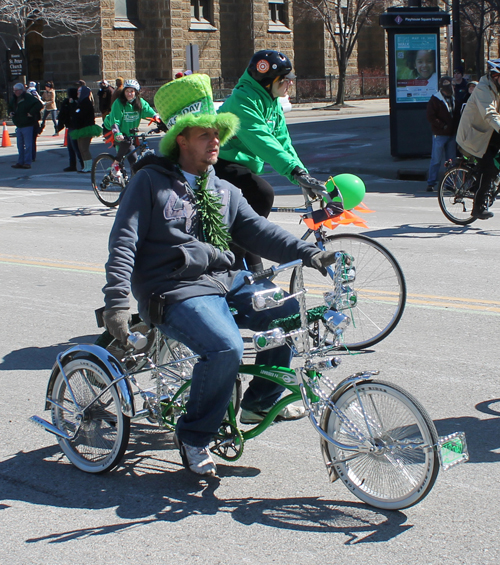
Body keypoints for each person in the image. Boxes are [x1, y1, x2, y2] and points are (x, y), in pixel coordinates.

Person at [101, 73, 338, 477]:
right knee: (226, 347)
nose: (216, 141)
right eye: (205, 134)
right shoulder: (151, 182)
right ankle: (194, 436)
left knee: (285, 313)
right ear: (181, 139)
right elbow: (123, 242)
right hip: (172, 290)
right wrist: (117, 302)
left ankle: (259, 401)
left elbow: (259, 231)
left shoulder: (222, 188)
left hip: (222, 282)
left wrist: (310, 254)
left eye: (219, 133)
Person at [216, 50, 325, 272]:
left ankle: (248, 268)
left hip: (242, 165)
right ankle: (227, 259)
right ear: (267, 81)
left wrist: (301, 174)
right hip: (220, 163)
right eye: (284, 80)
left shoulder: (271, 101)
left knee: (254, 241)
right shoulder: (242, 101)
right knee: (262, 194)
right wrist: (292, 171)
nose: (289, 85)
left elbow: (283, 142)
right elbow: (262, 140)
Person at [456, 59, 500, 219]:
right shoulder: (483, 89)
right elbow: (490, 113)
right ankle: (478, 207)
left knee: (495, 163)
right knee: (487, 167)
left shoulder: (497, 88)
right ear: (495, 76)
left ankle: (487, 182)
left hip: (487, 133)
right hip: (473, 137)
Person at [103, 79, 158, 176]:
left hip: (129, 133)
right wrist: (117, 133)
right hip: (112, 129)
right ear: (124, 92)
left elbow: (149, 112)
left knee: (134, 160)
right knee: (125, 143)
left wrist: (158, 119)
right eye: (127, 91)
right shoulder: (119, 103)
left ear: (136, 92)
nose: (129, 94)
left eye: (132, 91)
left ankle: (133, 183)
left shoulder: (140, 102)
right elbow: (115, 120)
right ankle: (115, 165)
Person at [426, 76, 458, 192]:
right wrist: (442, 125)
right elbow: (430, 116)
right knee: (436, 159)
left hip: (451, 134)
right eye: (447, 85)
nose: (450, 88)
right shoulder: (435, 99)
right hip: (439, 134)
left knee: (451, 160)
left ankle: (449, 183)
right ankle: (431, 183)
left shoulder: (453, 98)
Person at [8, 83, 43, 169]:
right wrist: (10, 112)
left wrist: (31, 112)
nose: (16, 92)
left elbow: (39, 104)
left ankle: (27, 162)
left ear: (21, 90)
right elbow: (10, 107)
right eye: (15, 90)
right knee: (20, 145)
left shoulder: (28, 97)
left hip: (28, 124)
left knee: (28, 145)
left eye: (17, 90)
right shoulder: (14, 99)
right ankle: (20, 162)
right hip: (19, 125)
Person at [70, 84, 102, 173]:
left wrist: (76, 113)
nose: (78, 93)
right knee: (81, 149)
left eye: (80, 92)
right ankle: (85, 166)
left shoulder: (86, 103)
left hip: (86, 129)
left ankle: (90, 167)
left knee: (84, 148)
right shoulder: (80, 102)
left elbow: (81, 115)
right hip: (80, 129)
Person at [57, 87, 84, 172]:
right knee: (70, 148)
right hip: (69, 127)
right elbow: (62, 113)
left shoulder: (77, 102)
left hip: (75, 127)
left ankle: (83, 165)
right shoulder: (66, 102)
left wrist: (72, 103)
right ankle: (72, 165)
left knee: (76, 148)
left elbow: (76, 113)